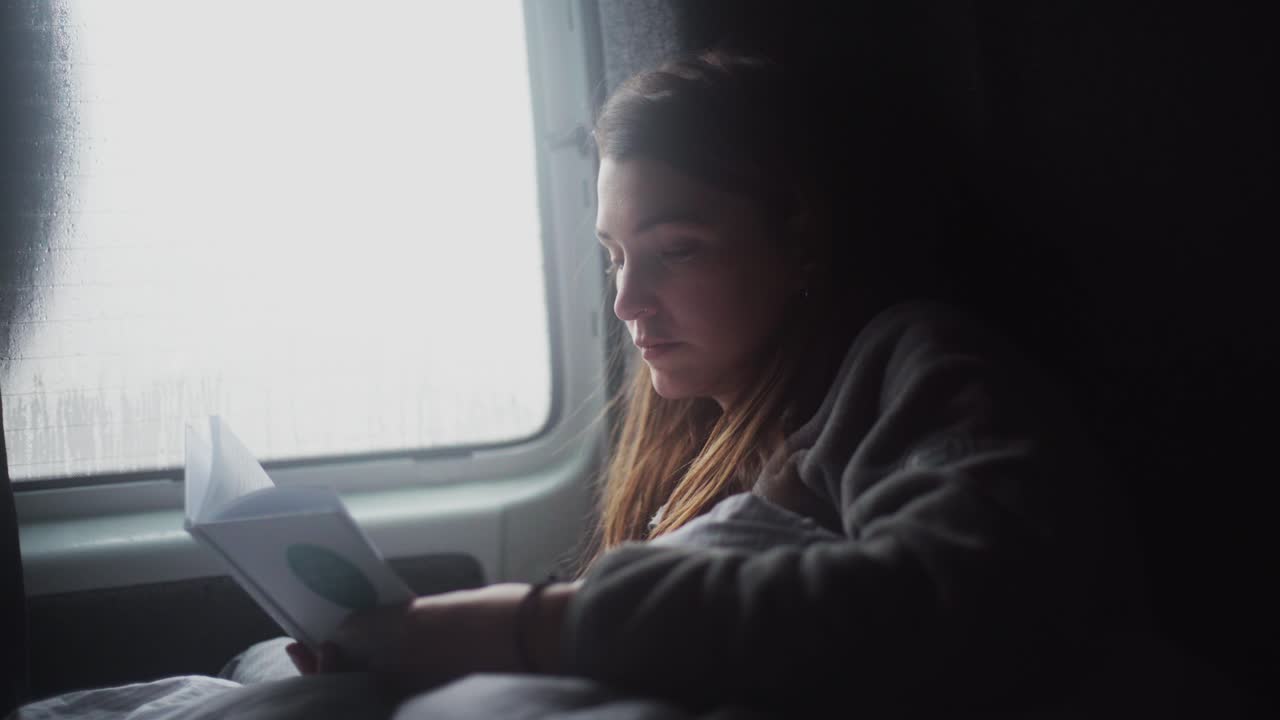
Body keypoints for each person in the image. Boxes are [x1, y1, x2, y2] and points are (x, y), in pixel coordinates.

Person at [277, 49, 1148, 716]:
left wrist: (522, 625)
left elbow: (958, 601)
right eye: (614, 257)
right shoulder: (693, 425)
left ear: (802, 241)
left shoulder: (912, 365)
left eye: (676, 250)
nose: (625, 301)